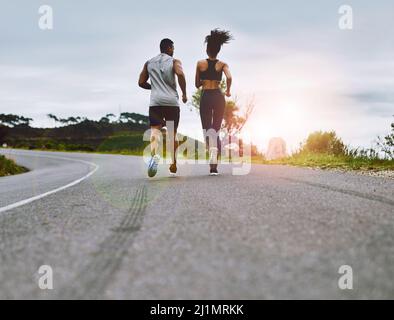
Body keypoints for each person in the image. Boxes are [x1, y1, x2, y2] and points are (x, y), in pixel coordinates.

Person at [138, 38, 187, 178]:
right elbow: (181, 74)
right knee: (172, 133)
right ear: (170, 48)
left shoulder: (149, 63)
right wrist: (184, 93)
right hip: (171, 103)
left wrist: (153, 86)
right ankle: (173, 163)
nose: (174, 50)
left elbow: (141, 82)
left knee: (155, 131)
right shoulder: (174, 61)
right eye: (173, 48)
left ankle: (154, 156)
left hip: (155, 103)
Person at [195, 29, 233, 176]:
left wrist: (203, 80)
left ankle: (211, 153)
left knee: (207, 129)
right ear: (218, 50)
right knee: (215, 130)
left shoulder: (200, 63)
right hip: (218, 96)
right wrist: (228, 90)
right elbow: (229, 77)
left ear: (207, 49)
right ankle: (214, 168)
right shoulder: (223, 64)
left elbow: (196, 84)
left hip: (206, 95)